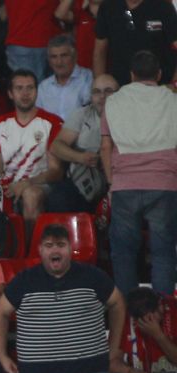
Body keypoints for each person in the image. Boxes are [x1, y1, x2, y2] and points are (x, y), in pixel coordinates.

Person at [0, 223, 126, 373]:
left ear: (70, 248)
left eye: (61, 245)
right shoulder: (24, 281)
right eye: (49, 245)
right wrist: (1, 355)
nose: (55, 250)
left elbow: (118, 303)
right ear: (40, 250)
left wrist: (114, 347)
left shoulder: (93, 276)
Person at [102, 51, 177, 297]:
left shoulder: (113, 101)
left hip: (125, 185)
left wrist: (112, 182)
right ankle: (164, 316)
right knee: (163, 252)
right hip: (164, 183)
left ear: (131, 75)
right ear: (159, 74)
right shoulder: (172, 100)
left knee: (123, 253)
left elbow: (105, 146)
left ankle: (126, 315)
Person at [0, 70, 63, 247]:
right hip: (9, 183)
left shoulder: (52, 122)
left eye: (30, 88)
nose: (25, 93)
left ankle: (30, 253)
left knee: (30, 195)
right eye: (19, 88)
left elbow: (56, 171)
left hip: (39, 183)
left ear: (37, 91)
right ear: (10, 93)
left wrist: (27, 183)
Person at [47, 72, 115, 217]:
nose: (102, 97)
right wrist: (80, 157)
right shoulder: (82, 114)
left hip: (120, 180)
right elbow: (56, 146)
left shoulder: (129, 116)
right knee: (57, 197)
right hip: (82, 181)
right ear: (91, 96)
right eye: (96, 92)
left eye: (108, 91)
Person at [93, 0, 177, 88]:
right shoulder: (108, 6)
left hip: (159, 89)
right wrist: (100, 87)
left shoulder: (163, 7)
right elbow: (99, 51)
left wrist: (174, 87)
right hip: (119, 89)